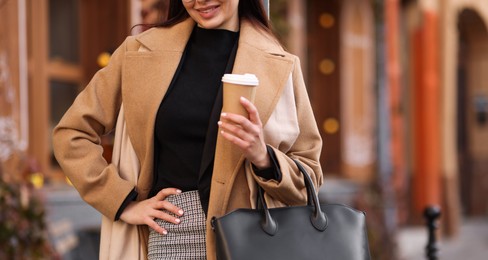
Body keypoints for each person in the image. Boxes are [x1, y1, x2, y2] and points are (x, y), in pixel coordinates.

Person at [52, 0, 323, 259]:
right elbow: (72, 133)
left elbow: (309, 175)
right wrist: (123, 202)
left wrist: (263, 157)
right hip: (172, 236)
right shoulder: (139, 52)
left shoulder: (281, 64)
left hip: (255, 239)